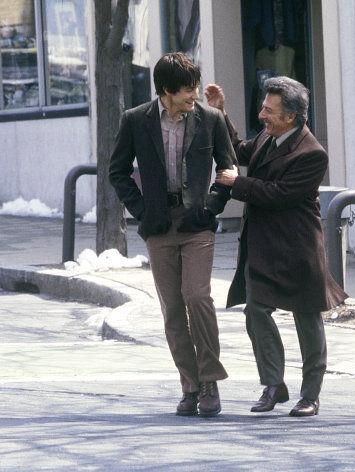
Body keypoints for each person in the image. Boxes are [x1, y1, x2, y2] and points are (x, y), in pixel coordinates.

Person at [205, 77, 347, 417]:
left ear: (291, 117)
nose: (262, 115)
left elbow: (279, 194)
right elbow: (240, 149)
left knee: (307, 318)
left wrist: (236, 183)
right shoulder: (268, 138)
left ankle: (310, 395)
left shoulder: (312, 153)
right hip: (263, 244)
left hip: (298, 247)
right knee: (255, 312)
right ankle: (273, 385)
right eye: (263, 107)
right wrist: (221, 113)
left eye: (269, 110)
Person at [109, 52, 237, 417]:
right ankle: (190, 385)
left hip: (197, 223)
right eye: (187, 89)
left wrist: (212, 207)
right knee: (172, 309)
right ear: (165, 90)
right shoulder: (135, 121)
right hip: (158, 224)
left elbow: (228, 167)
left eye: (196, 87)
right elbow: (117, 171)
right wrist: (141, 210)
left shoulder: (210, 119)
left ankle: (210, 379)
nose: (194, 95)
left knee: (197, 296)